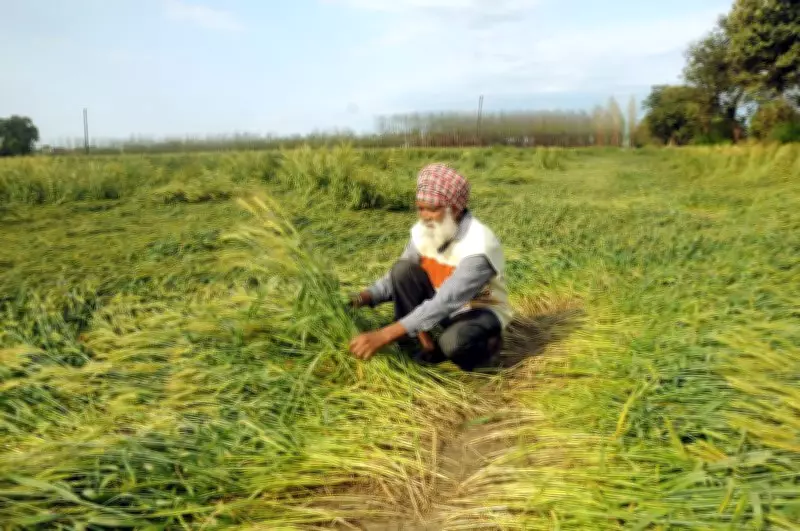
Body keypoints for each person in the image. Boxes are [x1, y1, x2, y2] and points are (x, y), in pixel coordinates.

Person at [348, 163, 512, 371]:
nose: (424, 216)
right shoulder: (425, 230)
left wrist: (384, 335)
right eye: (420, 208)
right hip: (439, 304)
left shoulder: (478, 245)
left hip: (476, 310)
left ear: (455, 209)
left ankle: (487, 349)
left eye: (432, 209)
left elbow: (447, 300)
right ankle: (421, 342)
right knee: (403, 269)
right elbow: (394, 279)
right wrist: (360, 298)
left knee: (454, 343)